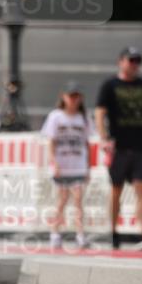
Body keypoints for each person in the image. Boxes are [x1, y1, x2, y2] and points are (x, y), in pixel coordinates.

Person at [95, 46, 142, 250]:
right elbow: (99, 113)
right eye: (131, 60)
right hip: (119, 145)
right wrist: (104, 138)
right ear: (121, 61)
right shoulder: (110, 85)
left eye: (137, 61)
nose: (134, 65)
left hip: (141, 144)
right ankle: (113, 231)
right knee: (116, 189)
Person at [41, 81, 95, 250]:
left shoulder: (83, 118)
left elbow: (87, 143)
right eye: (71, 96)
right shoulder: (56, 116)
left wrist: (88, 167)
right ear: (64, 97)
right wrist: (54, 163)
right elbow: (51, 142)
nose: (74, 100)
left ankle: (80, 234)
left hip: (78, 164)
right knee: (62, 199)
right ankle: (55, 232)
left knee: (78, 199)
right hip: (62, 164)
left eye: (76, 96)